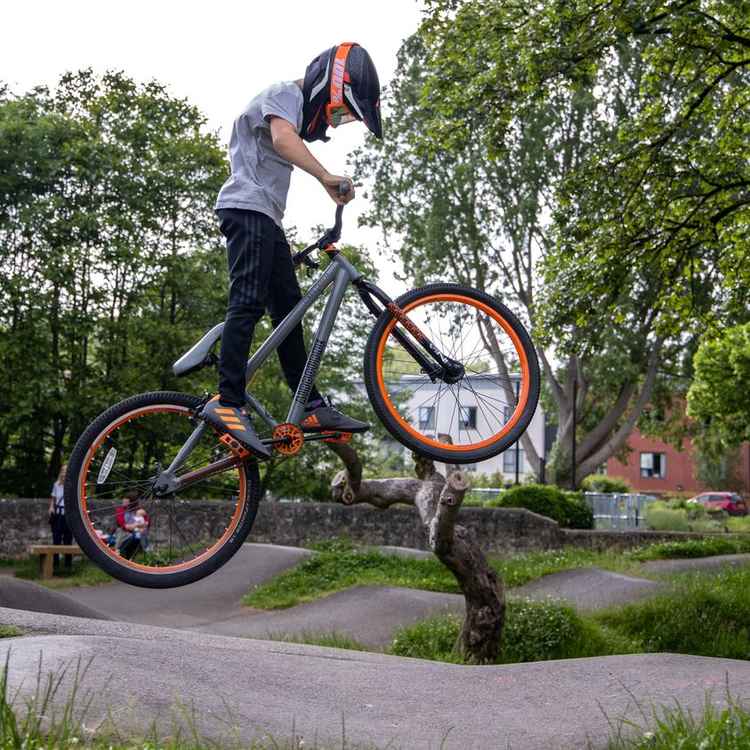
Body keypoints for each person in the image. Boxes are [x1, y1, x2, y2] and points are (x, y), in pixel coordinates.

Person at [200, 42, 383, 457]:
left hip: (265, 219)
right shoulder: (285, 92)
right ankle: (228, 403)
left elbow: (285, 141)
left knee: (289, 312)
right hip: (247, 211)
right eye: (339, 113)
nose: (332, 126)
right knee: (245, 302)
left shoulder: (293, 106)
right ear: (328, 86)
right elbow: (283, 139)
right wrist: (325, 177)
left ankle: (313, 406)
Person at [48, 463, 73, 570]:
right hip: (58, 515)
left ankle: (68, 565)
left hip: (68, 515)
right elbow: (53, 499)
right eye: (63, 470)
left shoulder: (72, 485)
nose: (64, 473)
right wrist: (51, 507)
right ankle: (55, 564)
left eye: (66, 471)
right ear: (60, 472)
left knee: (68, 540)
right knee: (56, 539)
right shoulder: (56, 484)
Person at [115, 492, 150, 559]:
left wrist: (135, 526)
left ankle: (134, 555)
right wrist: (137, 525)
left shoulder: (140, 511)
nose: (124, 502)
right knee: (131, 537)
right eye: (124, 500)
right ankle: (121, 554)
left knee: (138, 536)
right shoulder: (120, 510)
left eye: (126, 501)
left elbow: (146, 523)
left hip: (138, 533)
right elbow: (124, 525)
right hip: (124, 533)